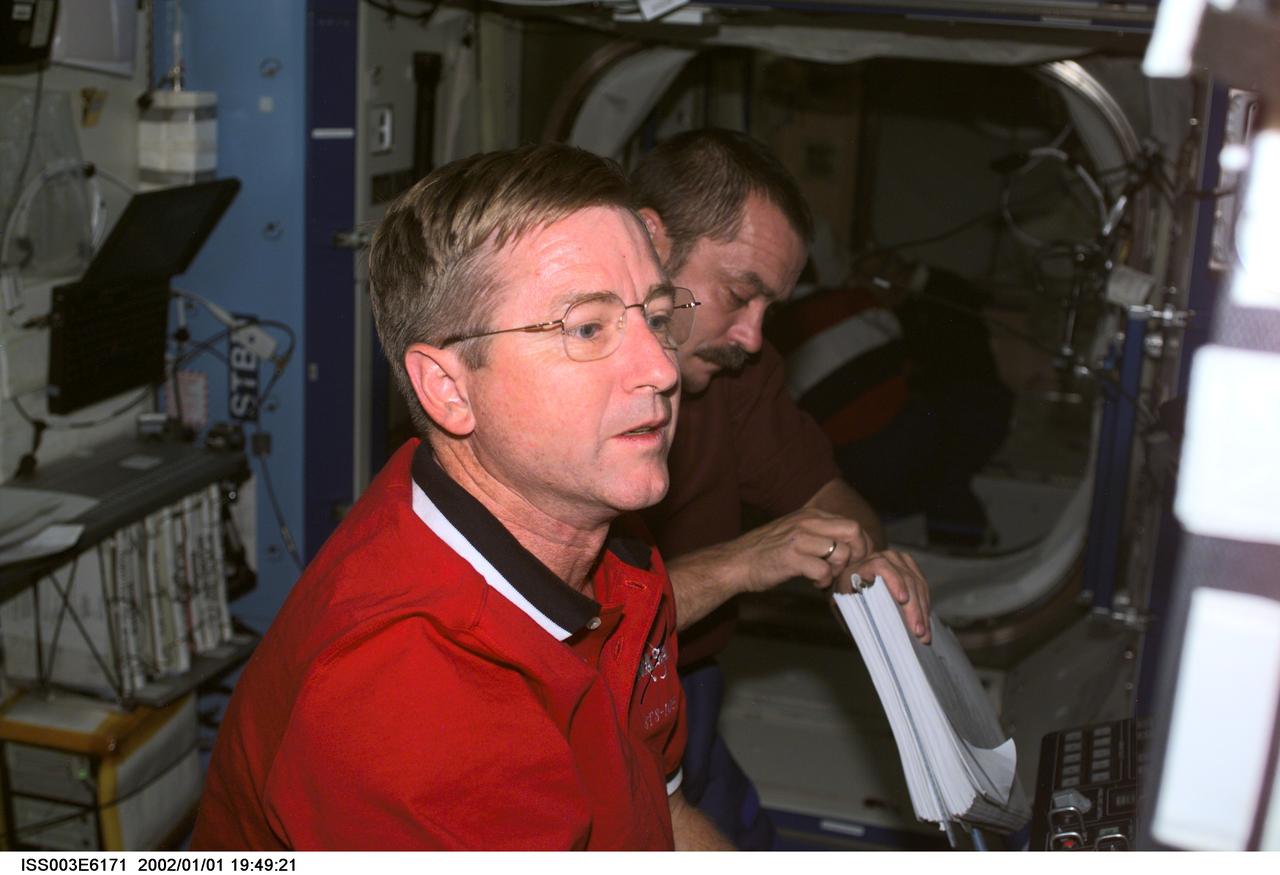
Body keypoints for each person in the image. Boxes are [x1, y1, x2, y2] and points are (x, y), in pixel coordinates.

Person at [191, 144, 731, 849]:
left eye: (657, 317)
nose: (661, 367)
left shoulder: (618, 554)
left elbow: (661, 816)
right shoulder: (406, 701)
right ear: (448, 389)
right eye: (589, 328)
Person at [631, 129, 933, 848]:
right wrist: (742, 562)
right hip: (581, 713)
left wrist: (860, 560)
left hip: (687, 685)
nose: (755, 336)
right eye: (740, 294)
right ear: (648, 242)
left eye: (771, 308)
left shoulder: (730, 373)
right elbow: (566, 638)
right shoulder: (544, 397)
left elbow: (829, 496)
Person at [770, 252, 1014, 548]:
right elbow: (897, 341)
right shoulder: (851, 300)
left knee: (923, 482)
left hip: (853, 454)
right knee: (944, 476)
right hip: (907, 422)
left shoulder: (774, 335)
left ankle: (935, 543)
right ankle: (964, 544)